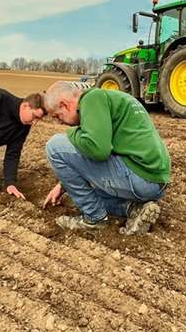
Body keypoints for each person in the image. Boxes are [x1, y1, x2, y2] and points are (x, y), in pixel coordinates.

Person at [42, 81, 171, 235]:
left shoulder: (92, 99)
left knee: (54, 146)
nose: (60, 121)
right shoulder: (111, 98)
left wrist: (72, 132)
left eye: (58, 116)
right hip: (154, 181)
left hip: (139, 177)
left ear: (65, 105)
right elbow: (103, 150)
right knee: (87, 192)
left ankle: (94, 219)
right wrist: (64, 185)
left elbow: (99, 150)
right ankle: (133, 209)